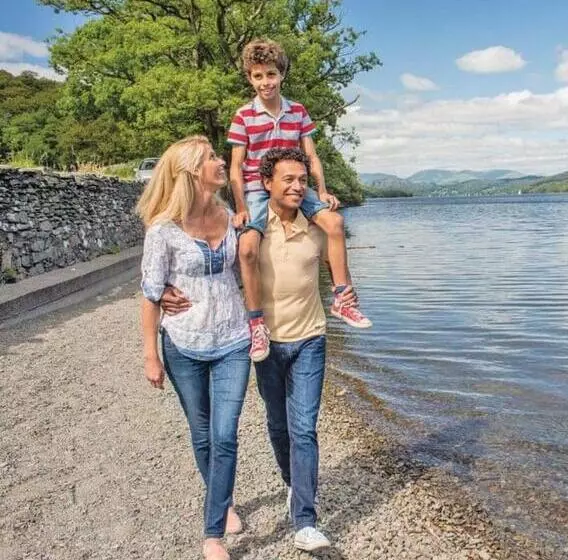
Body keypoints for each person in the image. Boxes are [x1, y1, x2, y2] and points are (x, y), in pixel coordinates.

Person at [137, 135, 249, 560]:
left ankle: (212, 534)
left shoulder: (231, 217)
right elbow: (149, 293)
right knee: (201, 433)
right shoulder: (163, 230)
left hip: (233, 340)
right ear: (191, 172)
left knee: (225, 434)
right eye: (212, 158)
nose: (222, 162)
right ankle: (225, 500)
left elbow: (254, 264)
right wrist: (151, 354)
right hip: (183, 344)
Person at [228, 38, 372, 365]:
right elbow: (236, 166)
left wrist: (321, 190)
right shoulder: (244, 116)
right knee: (248, 248)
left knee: (334, 223)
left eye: (271, 75)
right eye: (258, 76)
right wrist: (240, 207)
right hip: (257, 186)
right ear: (250, 78)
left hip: (294, 182)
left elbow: (311, 155)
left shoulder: (297, 112)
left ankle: (342, 298)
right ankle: (256, 323)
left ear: (282, 75)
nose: (265, 82)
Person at [254, 147, 338, 551]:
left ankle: (305, 520)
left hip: (310, 339)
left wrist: (346, 291)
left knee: (304, 428)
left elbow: (337, 258)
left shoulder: (316, 227)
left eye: (301, 179)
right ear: (267, 183)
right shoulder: (251, 231)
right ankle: (292, 482)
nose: (296, 185)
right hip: (266, 344)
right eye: (287, 179)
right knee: (277, 424)